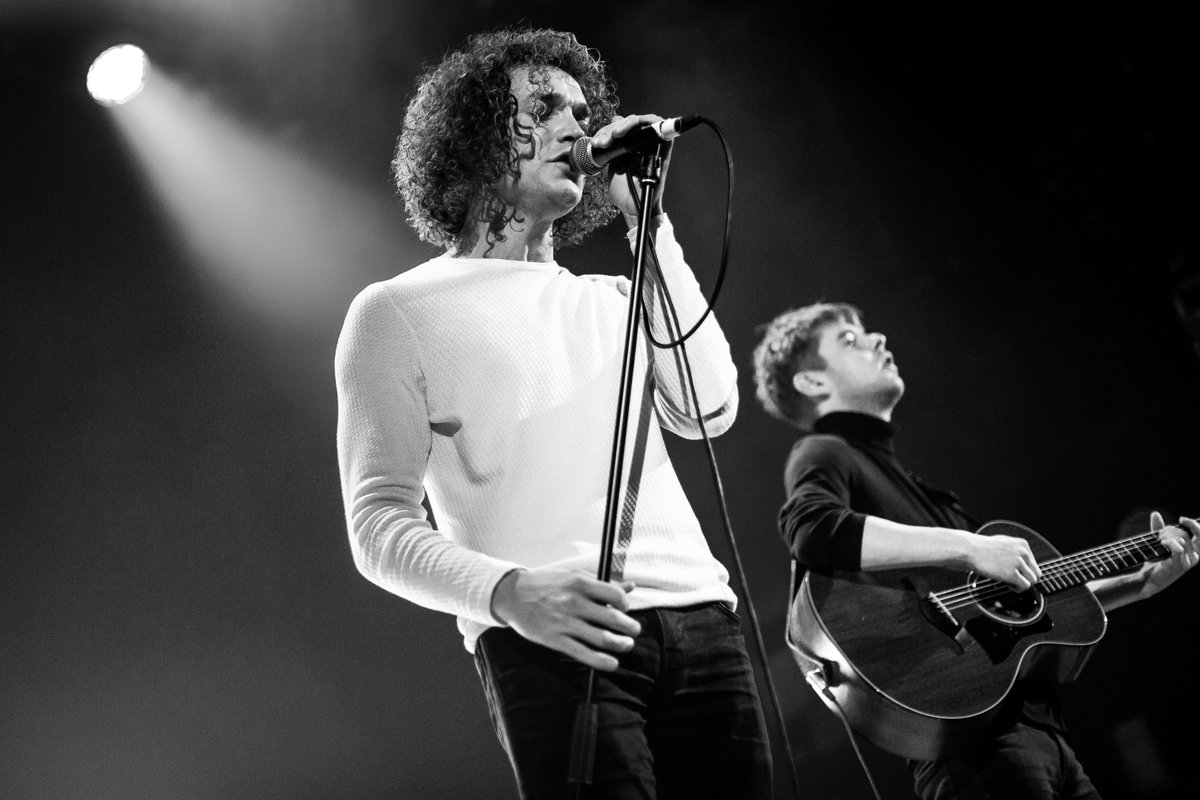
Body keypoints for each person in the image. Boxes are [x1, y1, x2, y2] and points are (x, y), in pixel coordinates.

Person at [334, 27, 772, 800]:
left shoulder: (612, 297)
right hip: (548, 636)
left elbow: (710, 408)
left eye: (580, 108)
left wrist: (651, 227)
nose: (577, 126)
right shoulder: (398, 310)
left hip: (703, 621)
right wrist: (508, 595)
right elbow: (378, 525)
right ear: (471, 138)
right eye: (544, 106)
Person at [750, 302, 1198, 799]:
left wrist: (1137, 583)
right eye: (850, 340)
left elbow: (1029, 607)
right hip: (974, 756)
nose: (877, 338)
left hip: (1045, 740)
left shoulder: (931, 497)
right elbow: (812, 528)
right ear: (813, 383)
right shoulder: (825, 451)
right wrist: (968, 548)